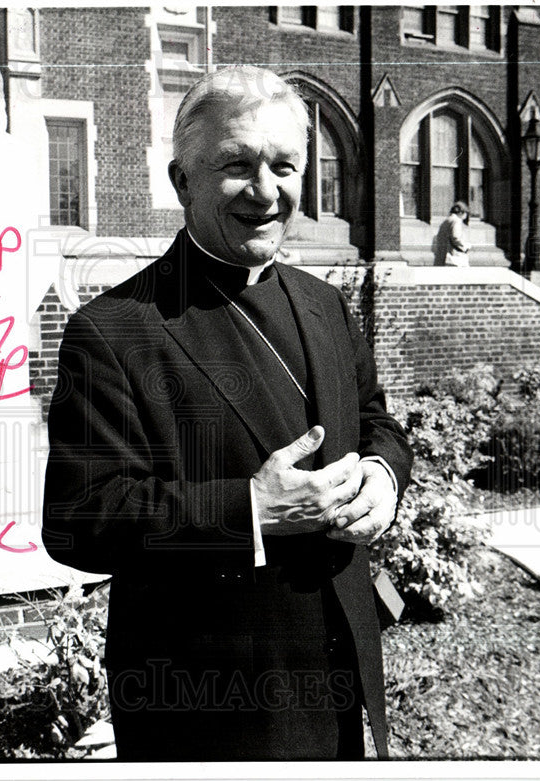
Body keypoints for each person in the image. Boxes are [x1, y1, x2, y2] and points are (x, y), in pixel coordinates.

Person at [41, 65, 412, 761]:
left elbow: (376, 423)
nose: (266, 192)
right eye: (237, 165)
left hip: (340, 680)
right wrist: (249, 509)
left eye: (284, 165)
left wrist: (381, 479)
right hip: (209, 709)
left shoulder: (325, 303)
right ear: (182, 181)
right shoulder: (115, 329)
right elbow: (78, 518)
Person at [436, 201, 471, 267]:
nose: (466, 216)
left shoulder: (447, 221)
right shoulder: (456, 220)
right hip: (454, 258)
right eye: (466, 213)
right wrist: (465, 247)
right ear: (461, 212)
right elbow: (456, 237)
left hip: (443, 257)